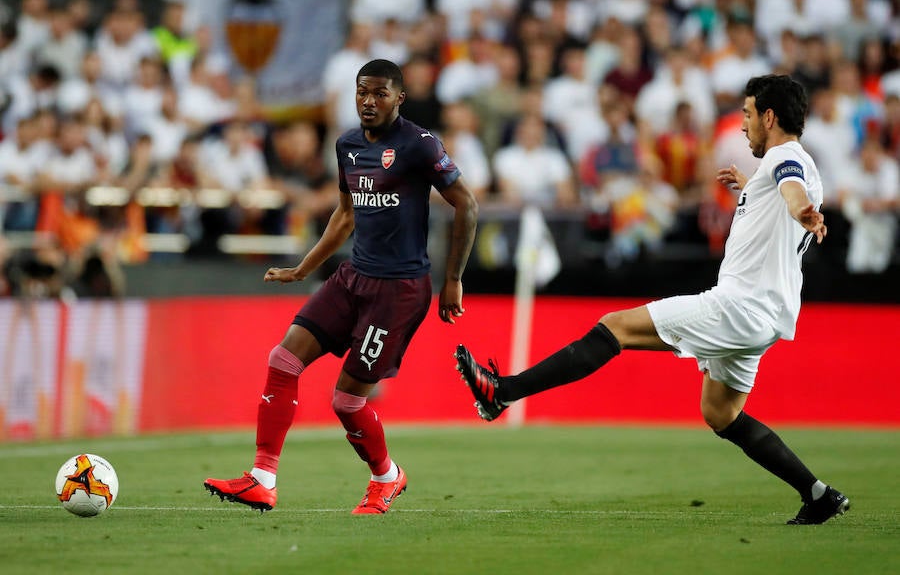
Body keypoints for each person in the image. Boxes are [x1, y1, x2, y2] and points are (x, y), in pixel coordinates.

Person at [455, 74, 850, 526]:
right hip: (764, 316)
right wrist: (751, 190)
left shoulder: (785, 158)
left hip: (738, 307)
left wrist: (801, 209)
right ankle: (817, 494)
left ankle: (503, 392)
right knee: (720, 412)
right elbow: (781, 194)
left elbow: (790, 187)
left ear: (769, 116)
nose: (743, 126)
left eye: (746, 114)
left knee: (615, 326)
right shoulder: (788, 165)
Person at [205, 59, 478, 514]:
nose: (368, 101)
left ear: (399, 98)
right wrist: (302, 268)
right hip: (353, 277)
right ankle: (261, 479)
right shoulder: (347, 145)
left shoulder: (420, 145)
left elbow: (466, 205)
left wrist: (453, 280)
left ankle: (387, 477)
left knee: (347, 401)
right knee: (283, 359)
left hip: (399, 290)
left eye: (380, 94)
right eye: (362, 92)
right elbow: (346, 214)